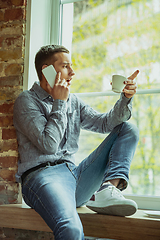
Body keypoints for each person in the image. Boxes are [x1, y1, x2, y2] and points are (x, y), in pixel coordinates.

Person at [13, 44, 139, 240]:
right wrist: (59, 102)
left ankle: (108, 189)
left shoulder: (73, 101)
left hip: (74, 176)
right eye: (65, 66)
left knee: (127, 129)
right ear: (46, 70)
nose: (72, 72)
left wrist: (125, 98)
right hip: (41, 178)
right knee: (71, 230)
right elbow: (49, 145)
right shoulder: (26, 101)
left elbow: (105, 124)